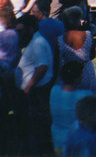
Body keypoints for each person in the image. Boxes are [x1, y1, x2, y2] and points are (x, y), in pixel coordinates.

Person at [17, 15, 55, 154]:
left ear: (31, 28)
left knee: (38, 126)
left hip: (38, 91)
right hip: (35, 90)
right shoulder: (34, 40)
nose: (19, 34)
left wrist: (28, 87)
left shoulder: (38, 42)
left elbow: (42, 67)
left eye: (21, 31)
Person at [50, 60, 96, 155]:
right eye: (81, 75)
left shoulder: (54, 91)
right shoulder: (85, 96)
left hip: (58, 141)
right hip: (79, 142)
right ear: (77, 79)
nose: (82, 77)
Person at [58, 6, 96, 92]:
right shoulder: (87, 34)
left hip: (70, 73)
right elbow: (93, 55)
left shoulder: (60, 39)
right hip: (86, 71)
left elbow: (59, 59)